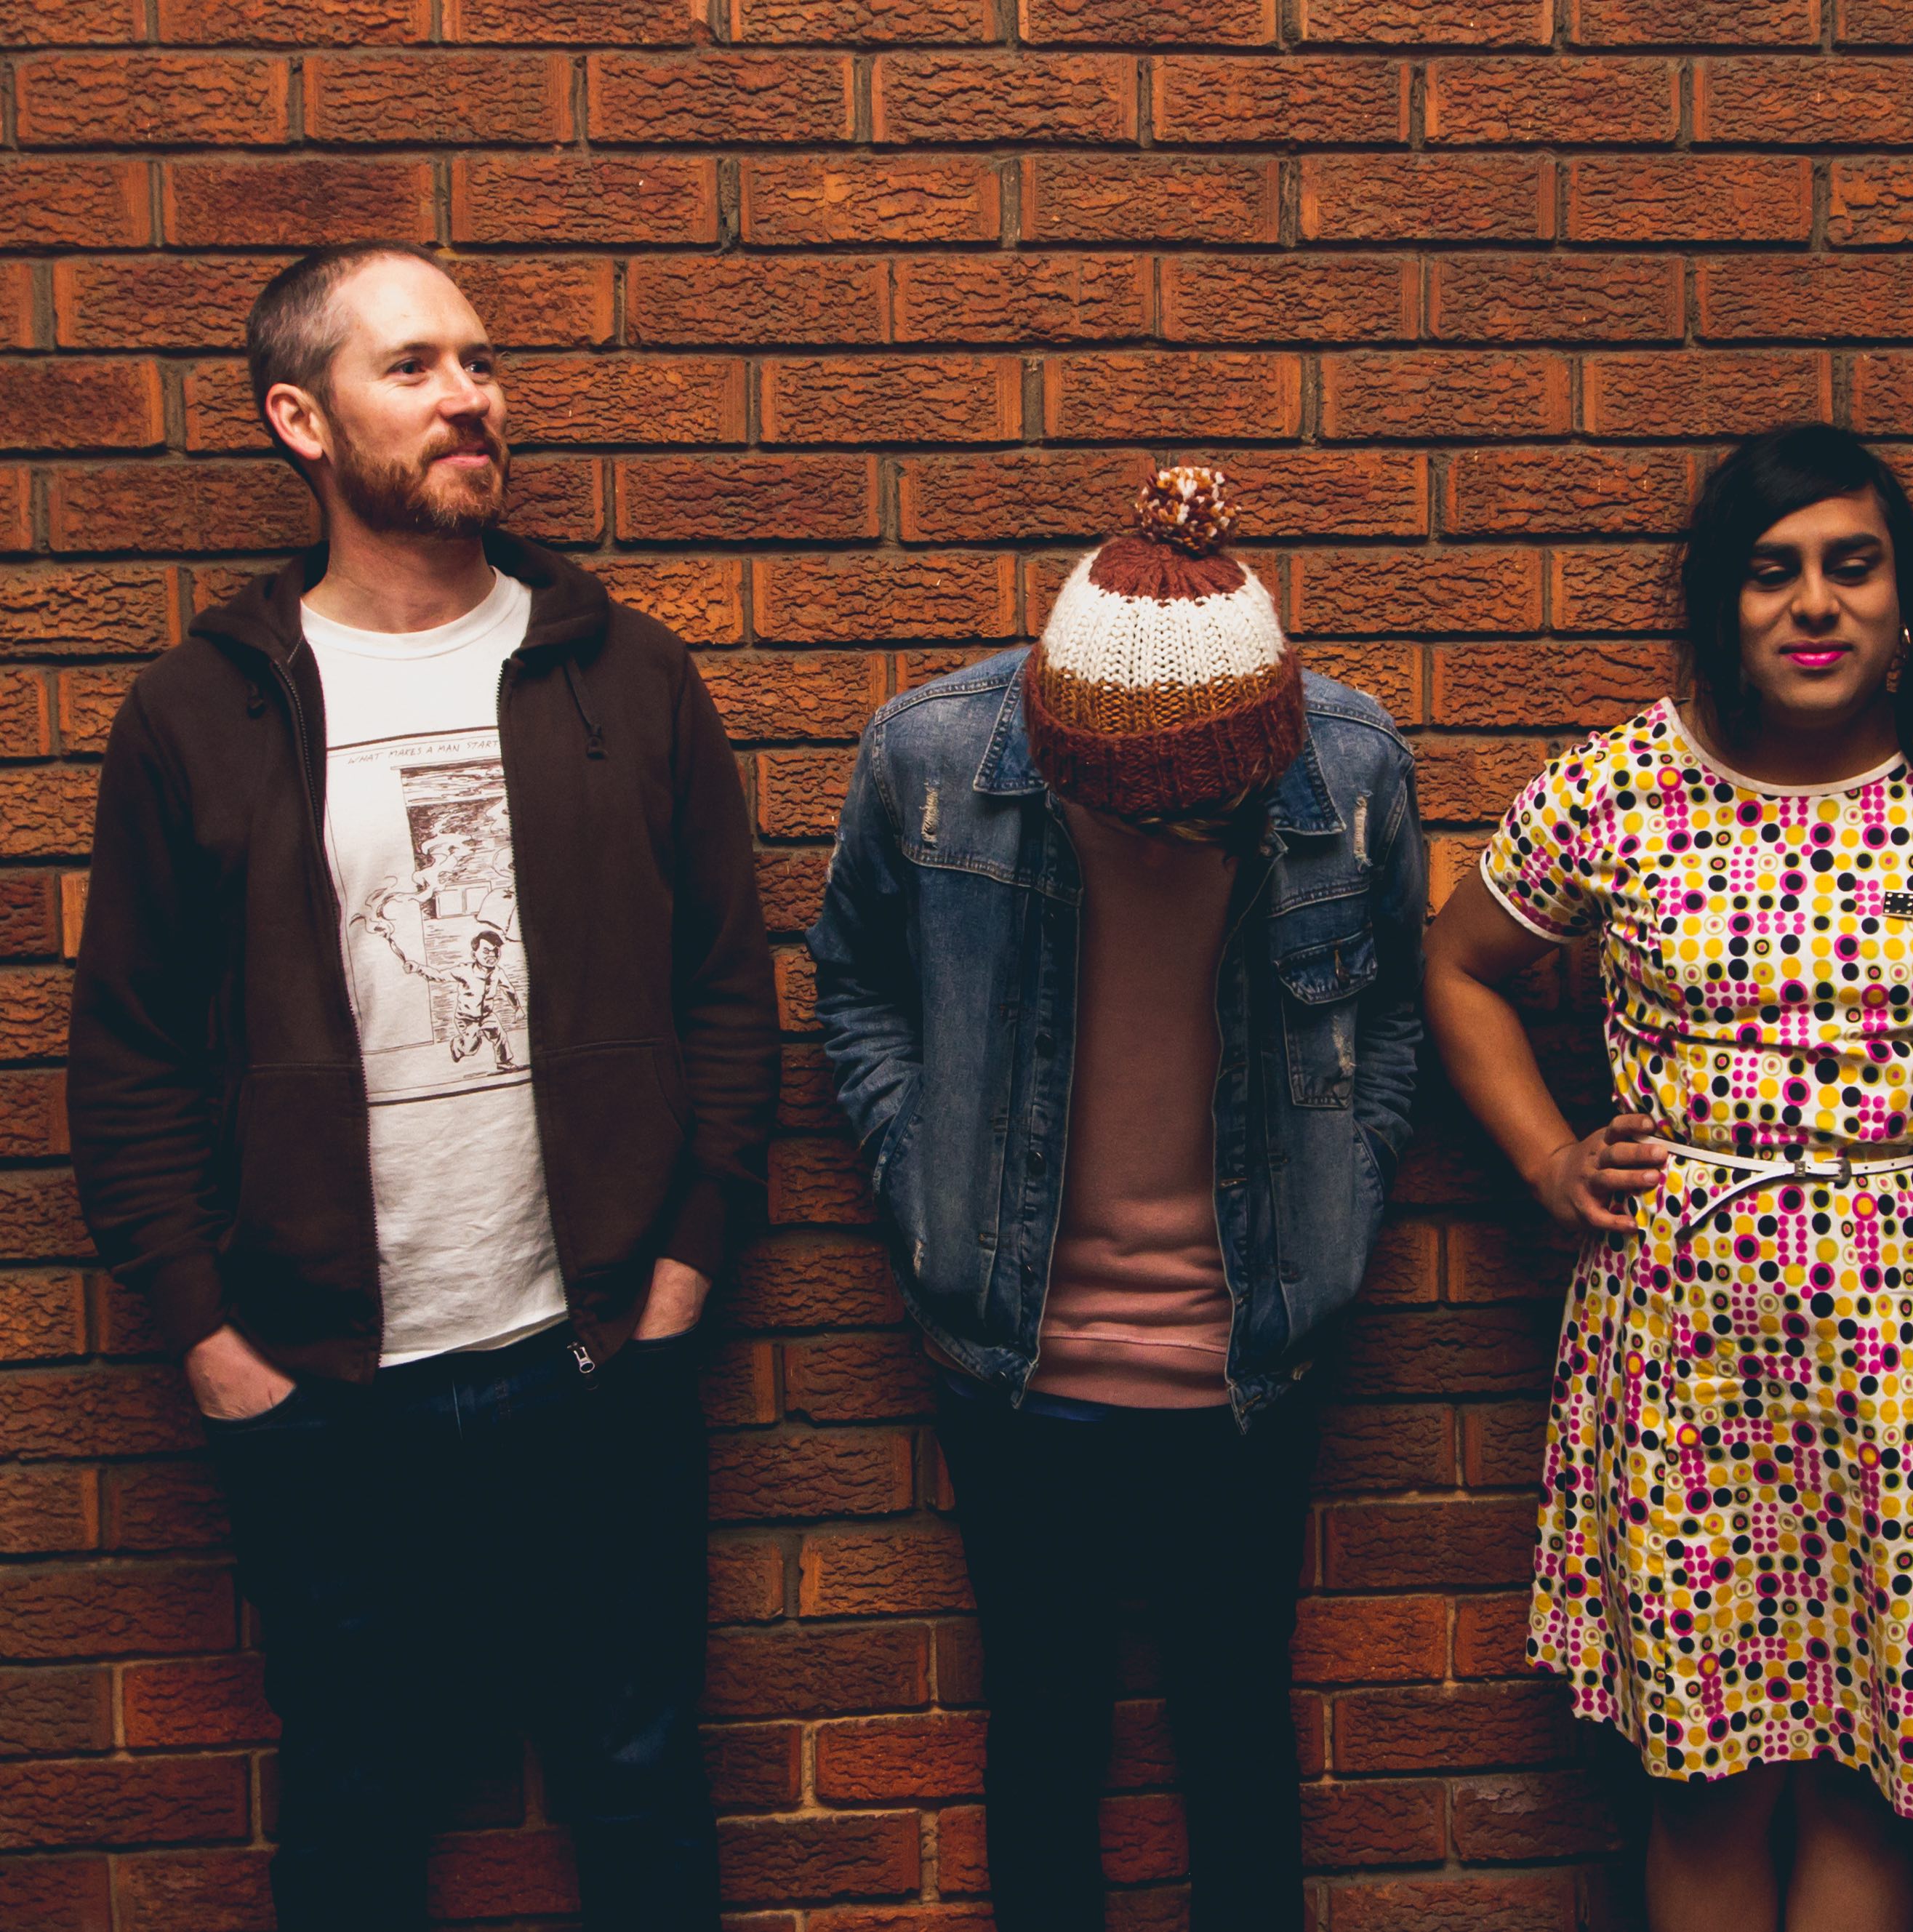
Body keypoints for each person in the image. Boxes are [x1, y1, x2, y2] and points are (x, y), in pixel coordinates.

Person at [66, 242, 777, 1930]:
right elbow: (130, 1055)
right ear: (299, 420)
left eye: (479, 361)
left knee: (640, 1789)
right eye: (413, 367)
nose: (470, 398)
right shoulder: (196, 713)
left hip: (592, 1362)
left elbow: (727, 997)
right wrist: (212, 1340)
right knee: (355, 1815)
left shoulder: (626, 673)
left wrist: (684, 1268)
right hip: (327, 1394)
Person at [1424, 424, 1913, 1931]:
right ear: (1721, 603)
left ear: (1905, 599)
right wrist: (1545, 1155)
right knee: (1706, 1776)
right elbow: (1457, 966)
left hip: (1910, 1351)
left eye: (1853, 565)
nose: (1815, 603)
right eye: (1770, 572)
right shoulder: (1617, 788)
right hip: (1683, 1354)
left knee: (1869, 1769)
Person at [808, 468, 1424, 1932]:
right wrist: (917, 1165)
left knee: (1237, 1740)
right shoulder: (931, 755)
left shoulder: (1344, 768)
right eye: (1128, 805)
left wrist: (1348, 1190)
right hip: (1011, 1362)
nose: (1164, 831)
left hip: (1253, 1358)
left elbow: (1398, 1007)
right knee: (1043, 1741)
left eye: (1202, 810)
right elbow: (853, 983)